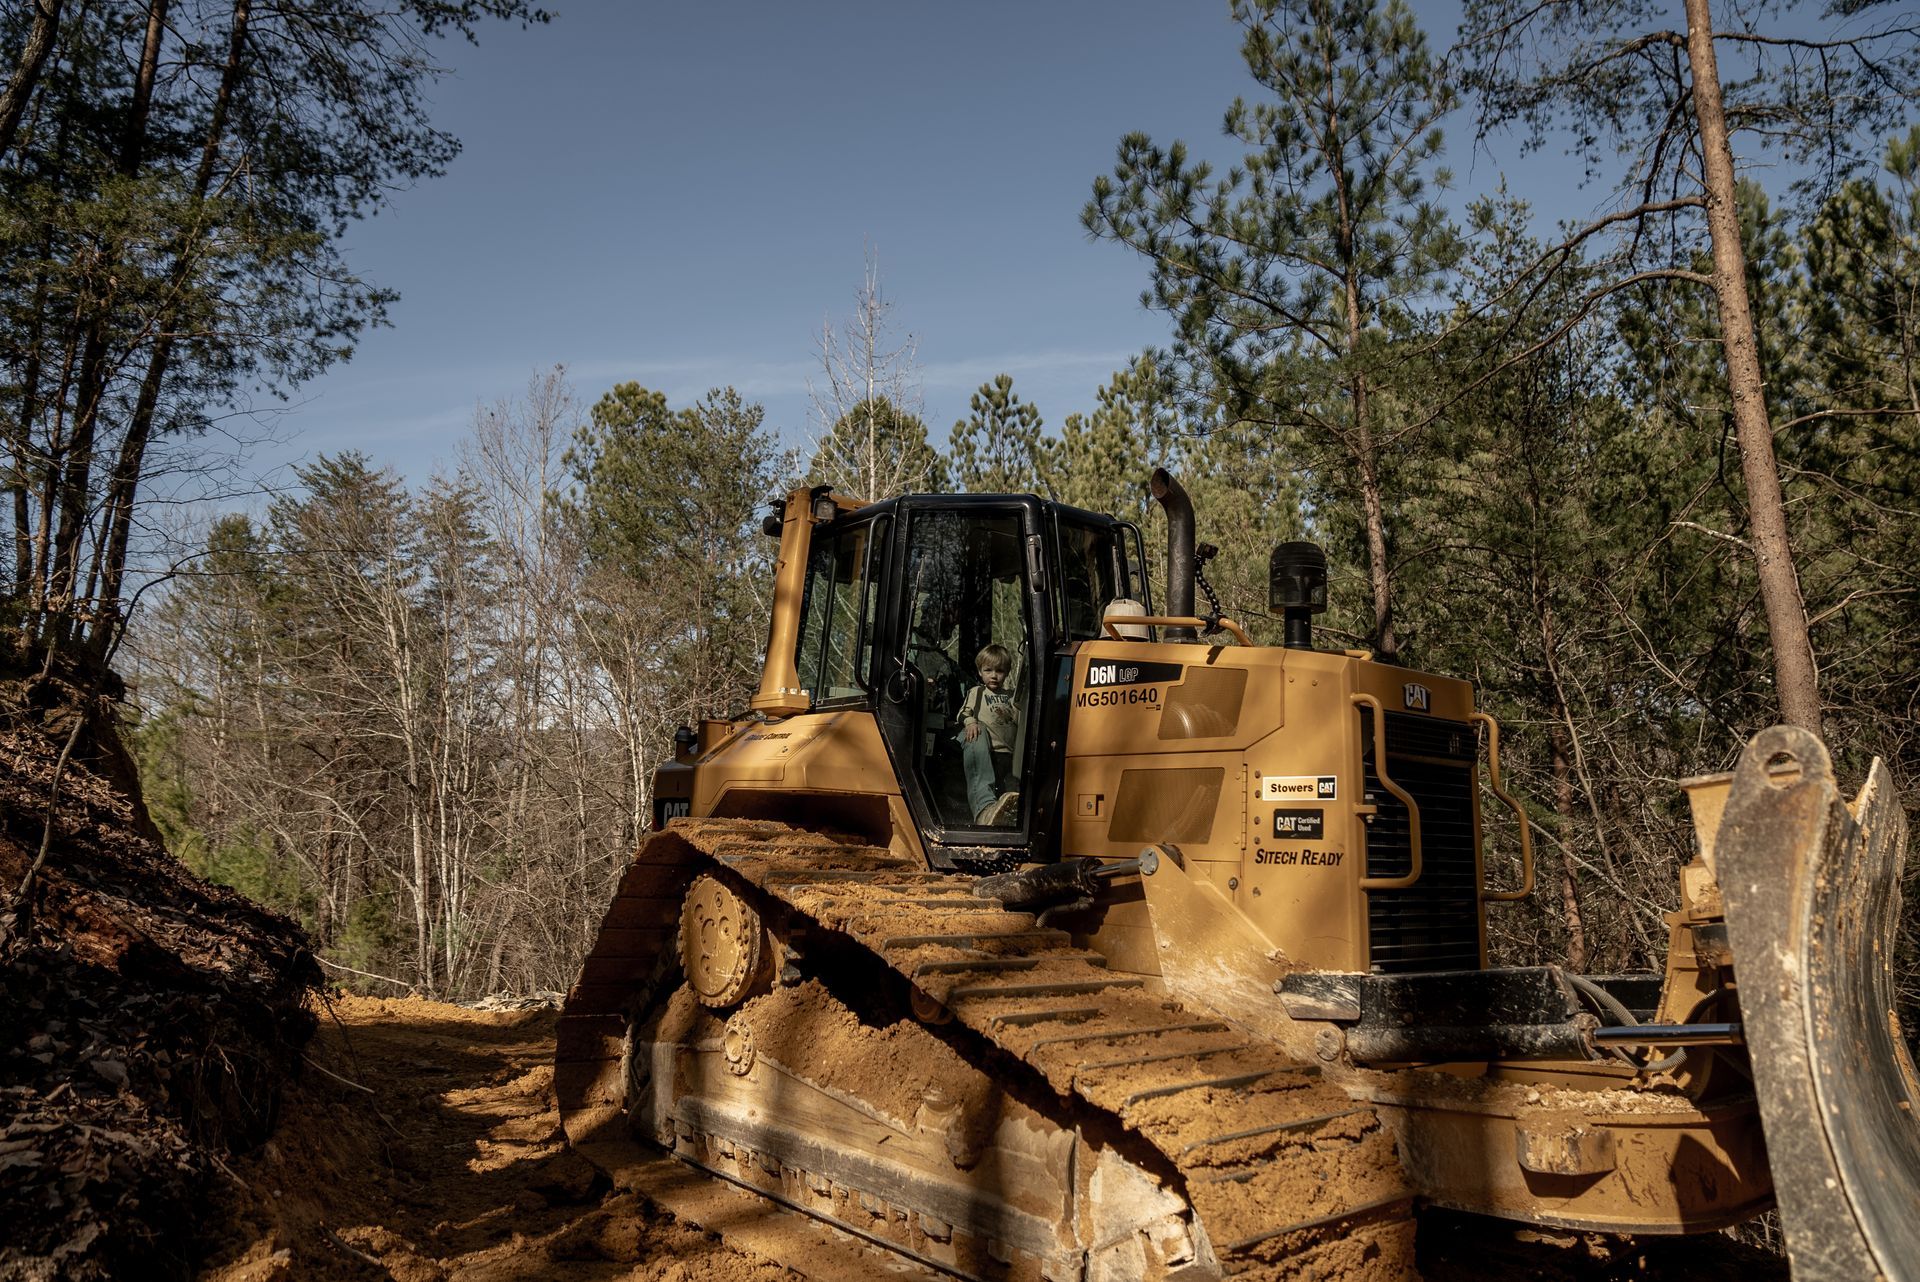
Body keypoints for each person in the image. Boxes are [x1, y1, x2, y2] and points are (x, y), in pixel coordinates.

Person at [959, 643, 1020, 826]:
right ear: (980, 672)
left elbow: (1020, 720)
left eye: (1000, 671)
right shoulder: (977, 692)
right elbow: (964, 712)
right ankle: (983, 813)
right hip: (988, 753)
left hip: (1008, 755)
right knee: (977, 731)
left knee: (1011, 798)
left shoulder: (1011, 696)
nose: (994, 675)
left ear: (1008, 672)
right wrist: (971, 722)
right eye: (988, 670)